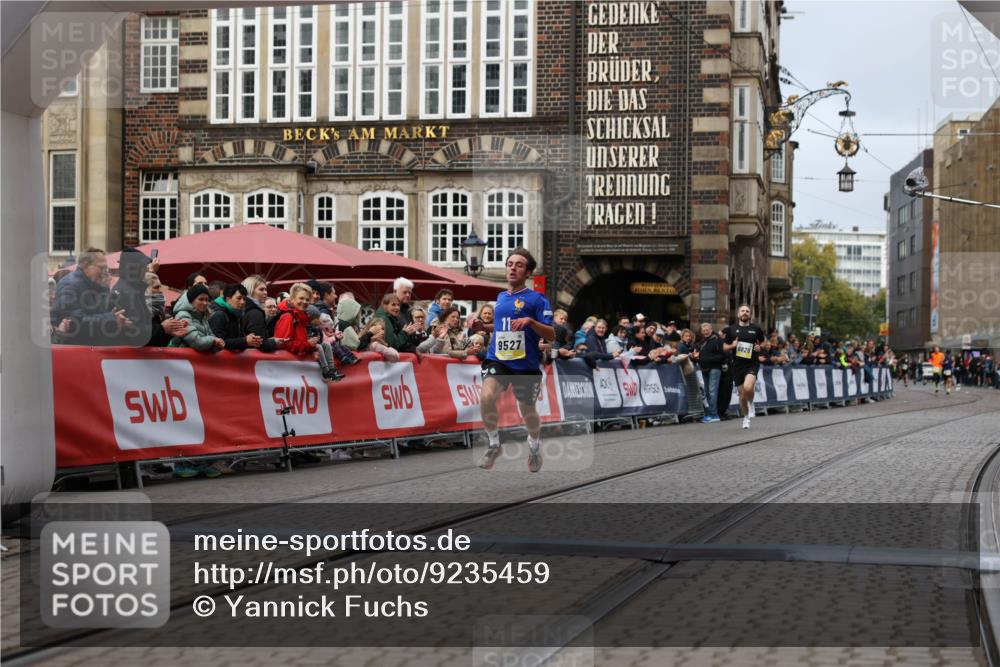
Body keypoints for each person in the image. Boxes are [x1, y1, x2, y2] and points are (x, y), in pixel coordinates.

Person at [477, 248, 554, 473]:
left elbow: (551, 334)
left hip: (526, 364)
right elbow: (502, 326)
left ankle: (533, 446)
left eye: (519, 265)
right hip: (498, 359)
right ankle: (493, 444)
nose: (512, 267)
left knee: (527, 410)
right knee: (486, 397)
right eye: (510, 263)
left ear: (528, 272)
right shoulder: (501, 297)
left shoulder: (537, 299)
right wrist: (484, 327)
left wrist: (530, 321)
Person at [51, 247, 131, 345]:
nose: (104, 271)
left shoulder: (97, 285)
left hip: (94, 347)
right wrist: (111, 319)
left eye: (105, 268)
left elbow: (98, 315)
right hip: (78, 351)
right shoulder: (69, 285)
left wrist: (117, 317)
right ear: (86, 265)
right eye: (101, 267)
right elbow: (74, 321)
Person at [722, 304, 767, 430]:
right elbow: (724, 347)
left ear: (750, 314)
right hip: (737, 365)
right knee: (742, 395)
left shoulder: (756, 328)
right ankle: (746, 418)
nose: (745, 313)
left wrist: (761, 347)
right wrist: (733, 345)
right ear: (738, 314)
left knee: (748, 387)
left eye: (747, 311)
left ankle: (751, 403)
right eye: (742, 311)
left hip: (752, 363)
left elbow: (764, 341)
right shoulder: (731, 329)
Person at [168, 284, 225, 352]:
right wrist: (214, 340)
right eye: (201, 299)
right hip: (181, 360)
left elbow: (211, 335)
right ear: (191, 301)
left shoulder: (202, 316)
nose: (205, 303)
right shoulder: (183, 315)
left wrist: (218, 342)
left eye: (207, 300)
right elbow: (196, 343)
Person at [273, 283, 320, 359]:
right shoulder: (288, 316)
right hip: (287, 366)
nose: (304, 302)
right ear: (292, 299)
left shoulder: (301, 317)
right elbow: (283, 343)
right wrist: (308, 344)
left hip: (296, 366)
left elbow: (299, 341)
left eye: (307, 299)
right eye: (301, 298)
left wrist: (311, 349)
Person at [240, 275, 283, 352]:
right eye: (261, 289)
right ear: (250, 290)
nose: (265, 292)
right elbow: (260, 343)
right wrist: (274, 342)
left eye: (265, 289)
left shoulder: (247, 309)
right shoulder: (254, 313)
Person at [306, 306, 347, 382]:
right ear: (311, 318)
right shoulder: (306, 327)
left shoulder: (317, 327)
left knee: (326, 345)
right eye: (317, 318)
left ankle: (332, 369)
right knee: (319, 347)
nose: (319, 320)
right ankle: (326, 371)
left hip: (315, 344)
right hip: (311, 347)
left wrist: (319, 335)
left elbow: (321, 340)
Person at [698, 323, 725, 423]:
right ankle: (710, 414)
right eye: (703, 330)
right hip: (705, 368)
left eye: (707, 330)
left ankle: (713, 415)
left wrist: (707, 359)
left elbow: (722, 355)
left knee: (712, 392)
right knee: (708, 392)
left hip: (714, 368)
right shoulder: (702, 341)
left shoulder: (717, 339)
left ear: (711, 329)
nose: (705, 332)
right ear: (701, 332)